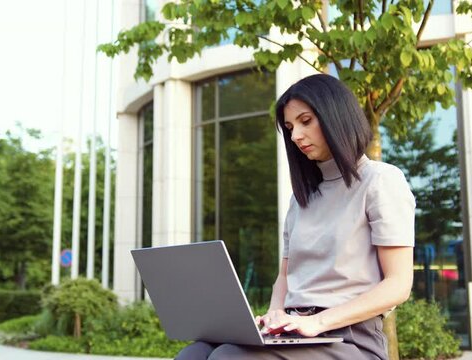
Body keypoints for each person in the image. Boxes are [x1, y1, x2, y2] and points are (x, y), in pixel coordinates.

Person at [176, 73, 415, 359]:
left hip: (351, 339)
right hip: (297, 332)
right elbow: (285, 277)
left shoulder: (380, 180)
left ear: (335, 115)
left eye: (305, 121)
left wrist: (317, 322)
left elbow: (399, 285)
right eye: (289, 127)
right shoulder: (301, 198)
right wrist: (274, 317)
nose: (295, 136)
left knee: (228, 358)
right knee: (194, 354)